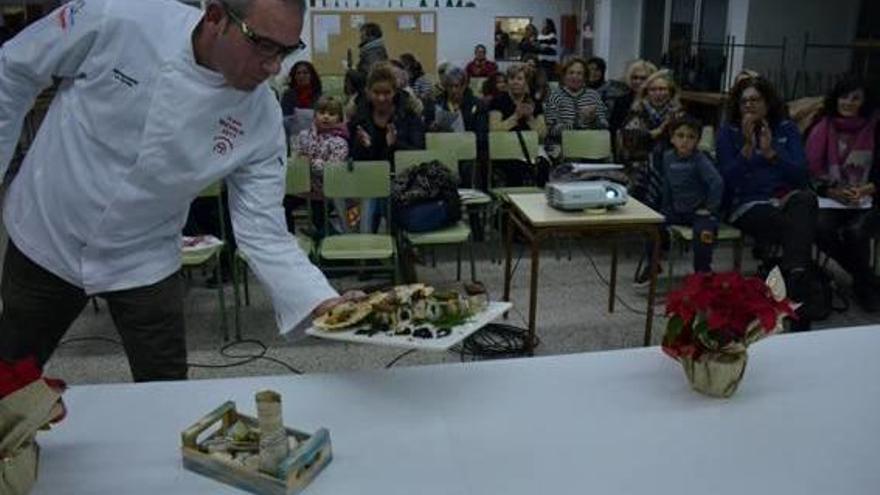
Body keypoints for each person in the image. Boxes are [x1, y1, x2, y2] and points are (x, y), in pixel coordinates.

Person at [0, 0, 353, 382]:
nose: (274, 67)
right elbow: (14, 69)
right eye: (263, 46)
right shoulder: (120, 18)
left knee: (167, 393)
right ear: (216, 17)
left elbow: (263, 229)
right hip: (46, 234)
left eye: (286, 51)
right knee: (10, 375)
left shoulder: (261, 117)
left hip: (144, 256)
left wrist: (323, 301)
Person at [717, 76, 817, 328]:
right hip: (747, 203)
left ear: (768, 102)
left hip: (784, 197)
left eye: (755, 99)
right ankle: (797, 283)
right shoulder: (728, 133)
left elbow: (801, 175)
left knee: (805, 200)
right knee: (793, 228)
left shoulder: (785, 129)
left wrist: (773, 153)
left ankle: (791, 281)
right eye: (744, 101)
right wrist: (748, 148)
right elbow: (726, 181)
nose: (749, 105)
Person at [806, 78, 880, 311]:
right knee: (818, 228)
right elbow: (807, 172)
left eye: (855, 98)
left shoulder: (877, 127)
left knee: (855, 232)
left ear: (864, 102)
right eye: (843, 96)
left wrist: (868, 188)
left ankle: (864, 287)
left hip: (870, 199)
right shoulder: (819, 126)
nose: (848, 102)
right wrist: (831, 190)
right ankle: (866, 279)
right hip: (831, 198)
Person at [636, 115, 723, 286]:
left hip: (699, 212)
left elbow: (716, 182)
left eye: (691, 137)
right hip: (675, 210)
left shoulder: (700, 160)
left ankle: (702, 271)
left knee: (704, 234)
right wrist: (663, 209)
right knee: (651, 225)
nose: (685, 141)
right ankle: (653, 264)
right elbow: (667, 185)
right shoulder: (668, 157)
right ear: (672, 138)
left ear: (697, 140)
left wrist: (710, 208)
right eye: (680, 136)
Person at [349, 62, 426, 232]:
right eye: (376, 93)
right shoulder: (359, 117)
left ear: (395, 92)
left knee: (384, 200)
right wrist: (362, 146)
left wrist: (395, 145)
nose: (381, 98)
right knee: (366, 202)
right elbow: (353, 160)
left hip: (402, 181)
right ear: (368, 93)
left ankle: (393, 245)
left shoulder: (408, 115)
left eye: (387, 93)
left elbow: (419, 153)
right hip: (367, 181)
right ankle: (367, 245)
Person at [620, 70, 684, 212]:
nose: (658, 93)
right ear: (646, 92)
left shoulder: (678, 114)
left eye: (662, 89)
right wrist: (655, 133)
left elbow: (682, 140)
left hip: (670, 161)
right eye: (653, 89)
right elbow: (630, 140)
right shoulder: (637, 111)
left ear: (670, 92)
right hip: (639, 161)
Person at [294, 96, 351, 237]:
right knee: (283, 203)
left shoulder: (340, 142)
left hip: (329, 190)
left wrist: (310, 163)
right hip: (305, 186)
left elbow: (331, 168)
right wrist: (300, 160)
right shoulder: (304, 136)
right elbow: (297, 156)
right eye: (322, 113)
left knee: (319, 216)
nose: (326, 117)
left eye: (331, 114)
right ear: (315, 115)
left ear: (339, 119)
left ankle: (331, 238)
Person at [428, 65, 488, 188]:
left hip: (468, 150)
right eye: (450, 86)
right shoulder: (436, 103)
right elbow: (425, 130)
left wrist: (466, 139)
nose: (454, 90)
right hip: (442, 149)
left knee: (468, 162)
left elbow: (482, 136)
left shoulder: (477, 104)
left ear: (464, 86)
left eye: (457, 86)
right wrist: (432, 128)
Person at [488, 63, 547, 186]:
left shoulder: (534, 102)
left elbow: (542, 135)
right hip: (506, 150)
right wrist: (516, 116)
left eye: (519, 79)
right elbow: (494, 131)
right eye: (512, 78)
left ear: (526, 82)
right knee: (515, 167)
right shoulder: (498, 101)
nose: (515, 82)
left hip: (530, 150)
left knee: (543, 165)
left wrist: (530, 118)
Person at [544, 57, 608, 156]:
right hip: (563, 147)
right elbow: (551, 130)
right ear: (564, 75)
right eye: (571, 73)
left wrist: (594, 119)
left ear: (585, 77)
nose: (575, 76)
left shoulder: (594, 96)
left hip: (590, 146)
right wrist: (576, 123)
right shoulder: (555, 96)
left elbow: (604, 125)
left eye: (579, 73)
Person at [609, 59, 657, 133]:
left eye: (643, 78)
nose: (638, 81)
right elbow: (613, 129)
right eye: (635, 78)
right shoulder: (621, 101)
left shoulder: (657, 100)